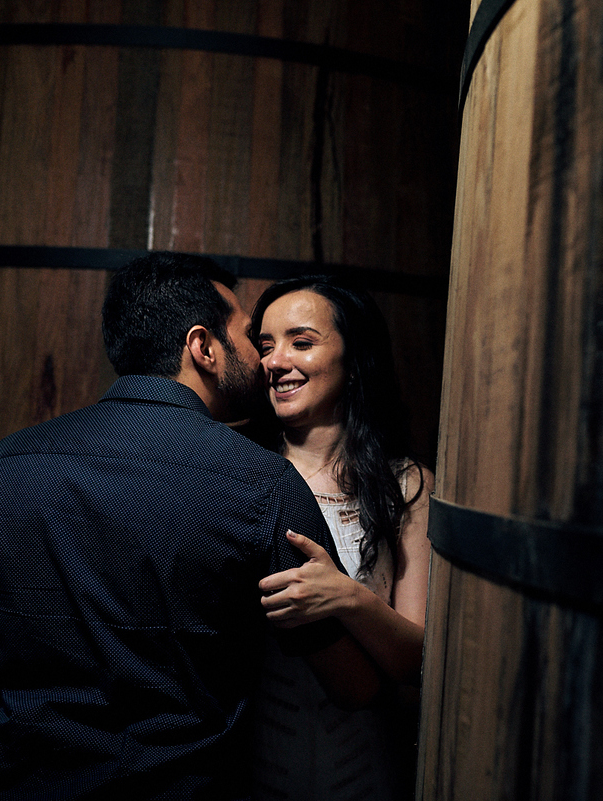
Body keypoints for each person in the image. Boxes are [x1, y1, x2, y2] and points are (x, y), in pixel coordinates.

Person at [0, 253, 379, 799]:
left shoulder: (5, 466)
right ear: (203, 348)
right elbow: (353, 684)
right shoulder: (262, 483)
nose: (264, 359)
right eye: (250, 336)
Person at [242, 276, 434, 801]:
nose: (276, 361)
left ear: (354, 360)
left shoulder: (405, 483)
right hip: (250, 766)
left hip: (368, 768)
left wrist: (347, 597)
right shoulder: (235, 474)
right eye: (265, 346)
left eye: (301, 342)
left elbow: (418, 658)